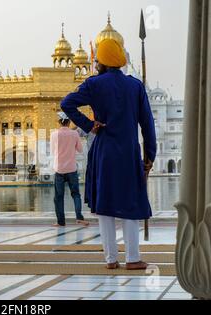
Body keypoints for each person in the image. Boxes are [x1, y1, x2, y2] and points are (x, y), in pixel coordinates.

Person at [60, 39, 156, 270]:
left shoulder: (94, 84)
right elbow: (147, 123)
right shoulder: (135, 86)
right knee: (130, 204)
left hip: (104, 152)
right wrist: (149, 156)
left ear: (101, 61)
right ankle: (132, 258)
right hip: (129, 152)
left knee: (105, 204)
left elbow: (67, 103)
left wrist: (89, 124)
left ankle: (111, 259)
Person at [50, 112, 90, 227]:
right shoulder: (74, 134)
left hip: (59, 169)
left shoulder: (54, 134)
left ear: (59, 122)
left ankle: (61, 221)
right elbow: (80, 150)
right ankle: (79, 217)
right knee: (76, 194)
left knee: (58, 197)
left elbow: (53, 151)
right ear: (69, 122)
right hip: (72, 168)